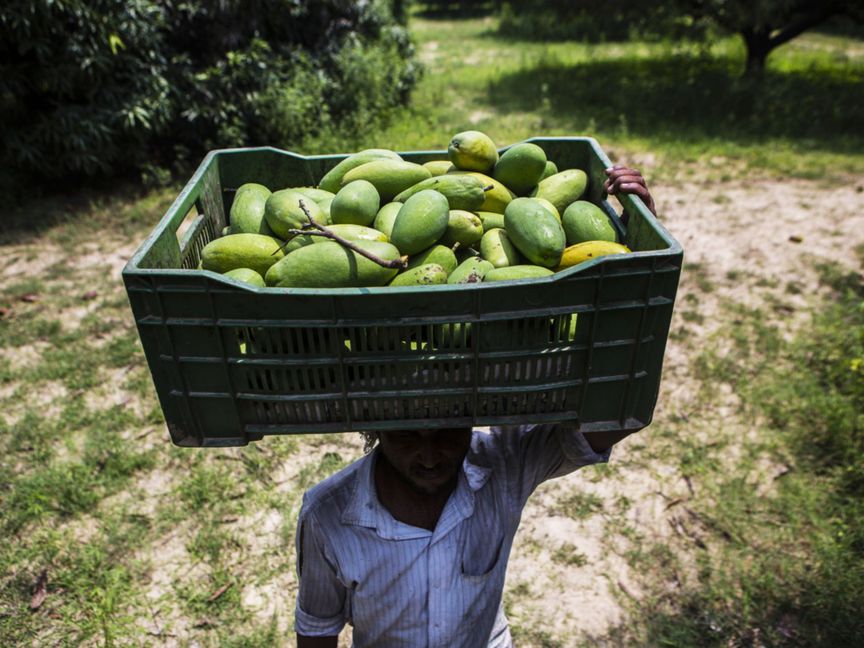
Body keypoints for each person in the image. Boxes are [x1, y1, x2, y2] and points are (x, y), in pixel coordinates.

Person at [294, 167, 656, 648]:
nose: (429, 454)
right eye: (406, 435)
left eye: (446, 431)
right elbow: (317, 629)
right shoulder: (328, 515)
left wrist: (641, 259)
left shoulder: (500, 467)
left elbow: (615, 418)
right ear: (373, 427)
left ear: (473, 415)